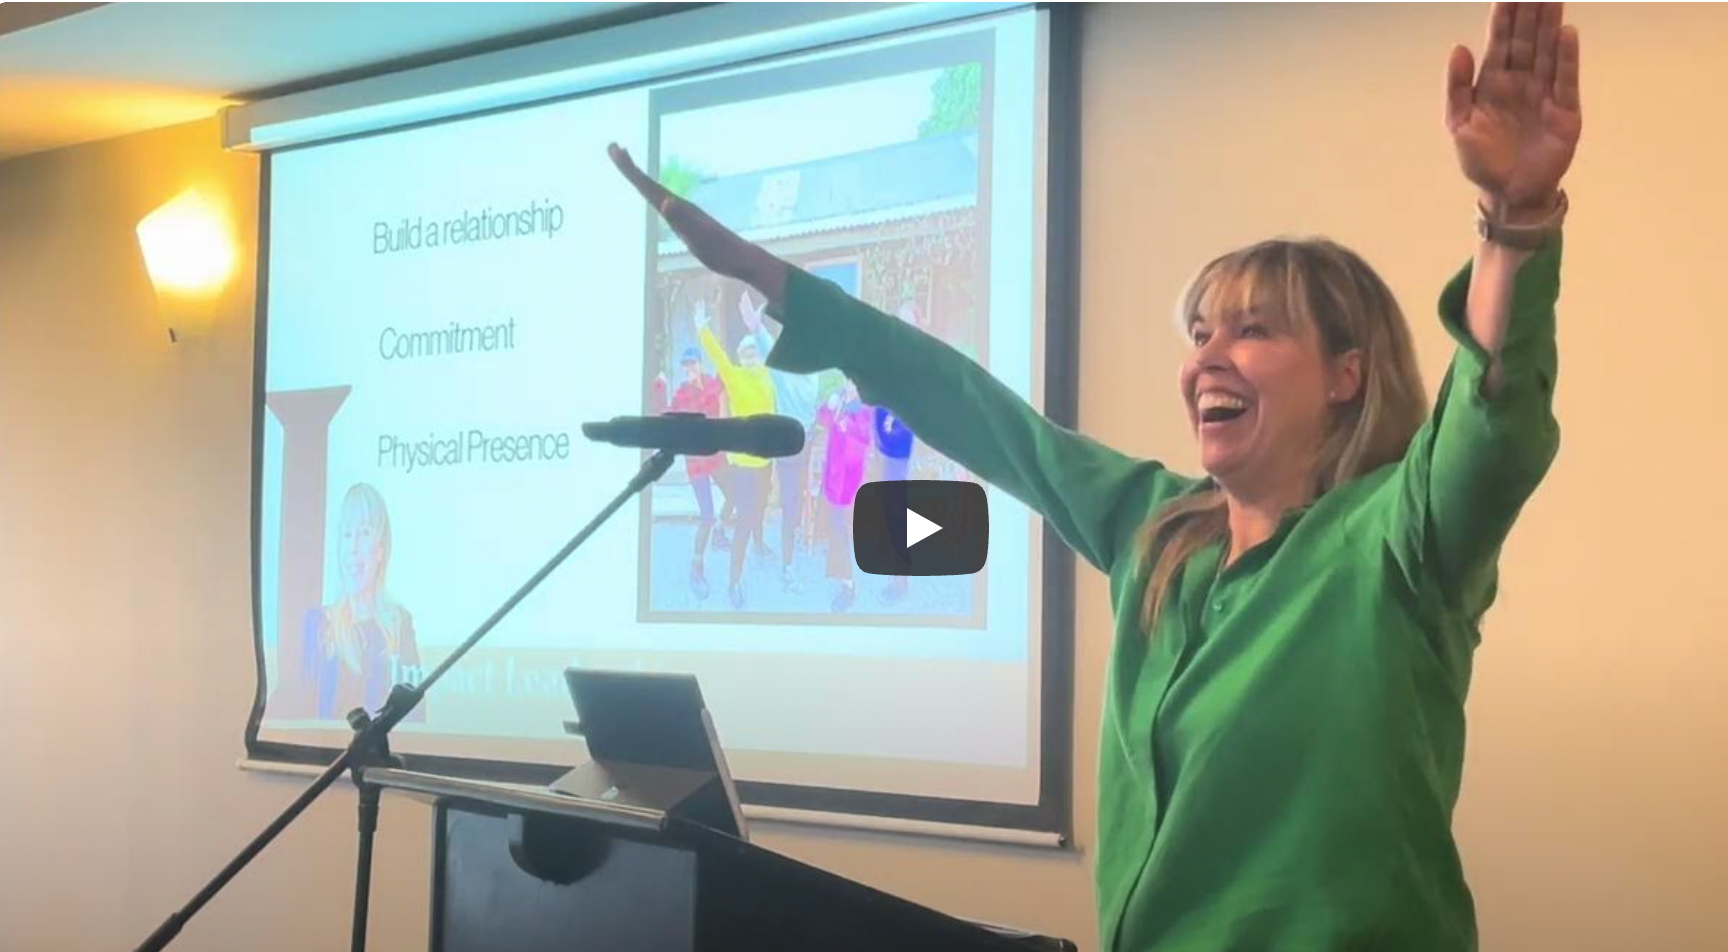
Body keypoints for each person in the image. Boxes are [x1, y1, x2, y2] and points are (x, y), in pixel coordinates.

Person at [608, 2, 1579, 947]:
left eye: (1252, 330)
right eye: (1199, 334)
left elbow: (1491, 419)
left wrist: (1515, 216)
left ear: (1346, 375)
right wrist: (774, 281)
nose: (1207, 359)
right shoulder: (1156, 527)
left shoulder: (1399, 542)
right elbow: (981, 415)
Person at [302, 483, 423, 721]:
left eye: (365, 533)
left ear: (381, 548)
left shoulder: (399, 624)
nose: (353, 548)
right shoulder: (319, 623)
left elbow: (416, 717)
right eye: (347, 535)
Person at [694, 296, 776, 609]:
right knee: (743, 523)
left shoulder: (768, 374)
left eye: (753, 351)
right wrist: (702, 328)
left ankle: (758, 544)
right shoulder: (735, 375)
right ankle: (734, 582)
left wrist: (758, 328)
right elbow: (717, 356)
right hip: (743, 465)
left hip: (765, 463)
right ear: (740, 358)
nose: (749, 356)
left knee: (759, 509)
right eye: (744, 353)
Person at [740, 288, 821, 594]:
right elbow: (771, 350)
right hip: (791, 446)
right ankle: (787, 564)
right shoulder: (799, 374)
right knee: (790, 503)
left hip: (798, 443)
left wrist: (757, 328)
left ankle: (788, 546)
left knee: (793, 499)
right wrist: (757, 329)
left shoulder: (805, 374)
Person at [669, 346, 726, 599]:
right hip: (696, 463)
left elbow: (723, 404)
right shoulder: (681, 394)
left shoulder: (713, 384)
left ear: (701, 364)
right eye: (686, 365)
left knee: (737, 495)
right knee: (707, 516)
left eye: (693, 363)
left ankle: (720, 534)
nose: (690, 368)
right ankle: (696, 568)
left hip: (716, 457)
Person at [816, 381, 874, 612]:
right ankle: (839, 569)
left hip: (849, 478)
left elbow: (866, 435)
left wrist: (846, 423)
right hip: (833, 473)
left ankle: (848, 585)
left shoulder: (865, 405)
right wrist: (827, 407)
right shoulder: (839, 397)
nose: (849, 382)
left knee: (839, 528)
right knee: (836, 526)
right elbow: (823, 420)